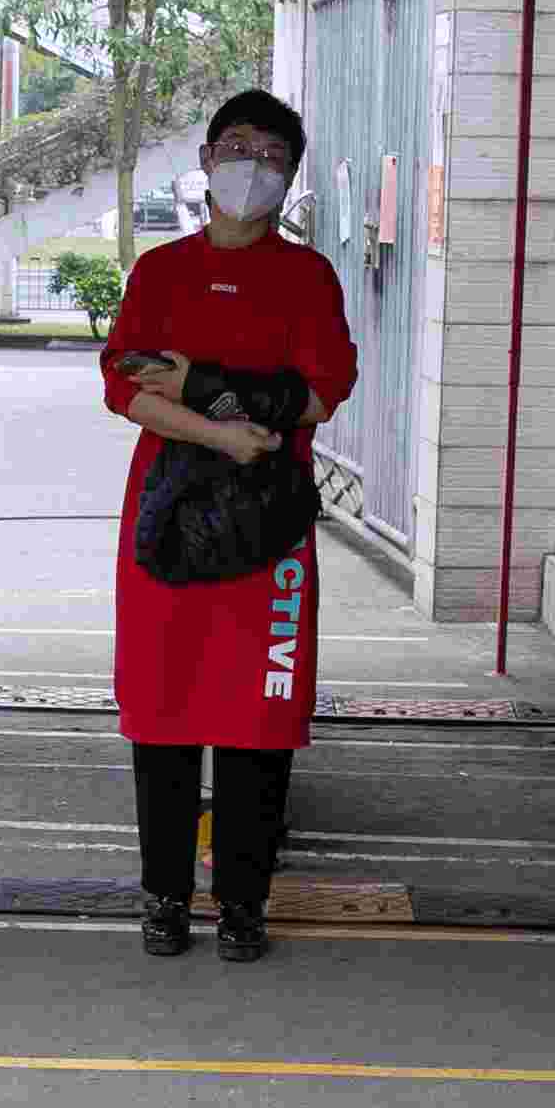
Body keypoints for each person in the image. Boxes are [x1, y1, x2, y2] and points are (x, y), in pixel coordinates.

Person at [100, 88, 359, 962]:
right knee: (163, 710)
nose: (251, 165)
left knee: (260, 718)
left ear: (290, 177)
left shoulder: (308, 277)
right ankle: (164, 897)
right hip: (170, 513)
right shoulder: (162, 271)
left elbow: (323, 390)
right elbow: (126, 383)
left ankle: (244, 902)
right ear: (206, 157)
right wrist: (225, 422)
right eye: (237, 146)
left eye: (273, 154)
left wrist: (200, 380)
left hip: (270, 528)